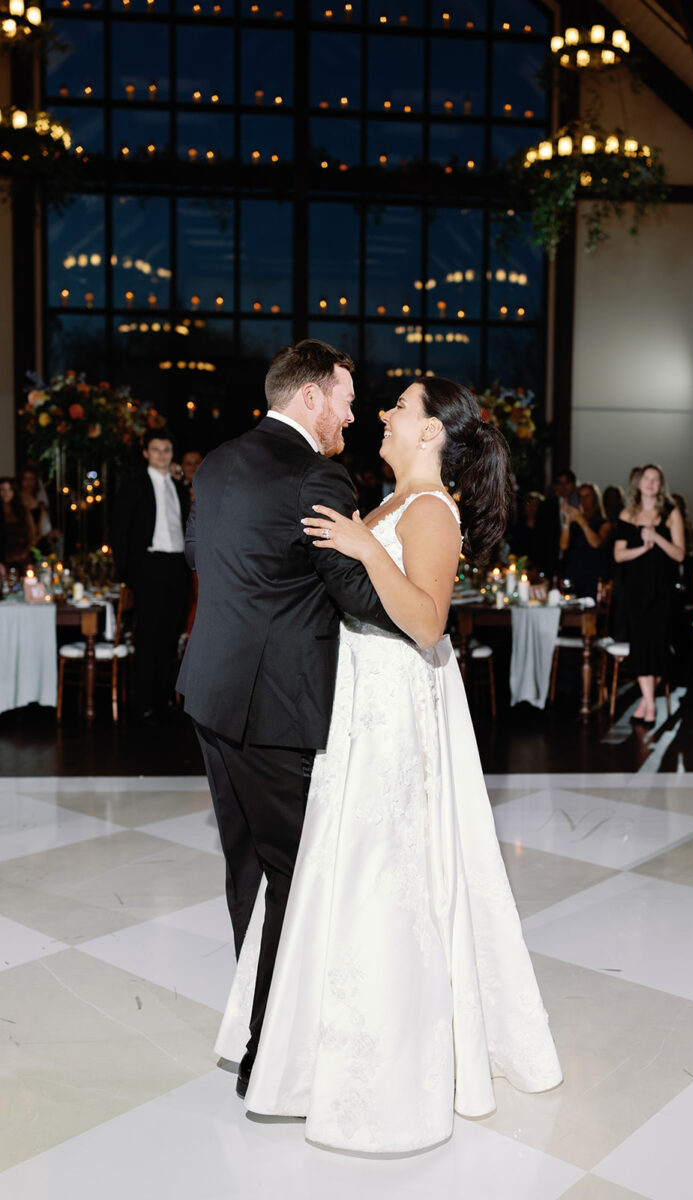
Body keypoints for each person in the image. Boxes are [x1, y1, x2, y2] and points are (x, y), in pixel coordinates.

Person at [216, 376, 562, 1154]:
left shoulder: (431, 509)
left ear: (432, 431)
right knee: (339, 863)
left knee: (383, 868)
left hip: (394, 702)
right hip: (357, 695)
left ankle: (384, 1067)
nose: (383, 413)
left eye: (400, 406)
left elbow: (429, 623)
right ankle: (315, 1047)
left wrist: (369, 547)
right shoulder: (392, 500)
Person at [177, 340, 399, 1101]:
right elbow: (356, 594)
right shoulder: (318, 474)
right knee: (297, 879)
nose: (352, 414)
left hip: (210, 692)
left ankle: (256, 1024)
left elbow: (199, 561)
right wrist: (426, 607)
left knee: (248, 872)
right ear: (310, 396)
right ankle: (270, 1056)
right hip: (275, 706)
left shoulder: (216, 462)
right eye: (345, 398)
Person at [110, 429, 191, 724]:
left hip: (177, 567)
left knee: (170, 636)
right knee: (147, 637)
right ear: (145, 452)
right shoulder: (134, 486)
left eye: (166, 449)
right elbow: (119, 531)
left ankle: (164, 698)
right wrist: (129, 573)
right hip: (148, 566)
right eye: (156, 449)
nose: (161, 455)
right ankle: (143, 702)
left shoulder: (180, 488)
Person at [613, 464, 685, 726]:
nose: (651, 483)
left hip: (662, 590)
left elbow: (679, 554)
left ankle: (645, 702)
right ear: (639, 483)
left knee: (658, 648)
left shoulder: (670, 513)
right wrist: (643, 549)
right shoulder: (627, 514)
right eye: (647, 478)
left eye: (656, 479)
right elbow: (618, 555)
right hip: (635, 590)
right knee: (641, 646)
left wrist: (656, 537)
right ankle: (650, 705)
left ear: (661, 485)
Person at [559, 481, 612, 598]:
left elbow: (596, 543)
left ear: (595, 499)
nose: (583, 500)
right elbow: (563, 545)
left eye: (587, 496)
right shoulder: (575, 524)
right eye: (580, 496)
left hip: (593, 577)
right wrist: (567, 519)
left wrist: (580, 519)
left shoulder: (604, 523)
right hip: (574, 576)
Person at [0, 477, 35, 569]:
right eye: (2, 490)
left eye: (9, 490)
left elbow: (32, 535)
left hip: (23, 559)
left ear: (14, 491)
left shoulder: (22, 512)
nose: (6, 493)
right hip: (3, 561)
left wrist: (25, 553)